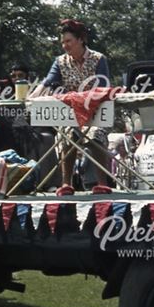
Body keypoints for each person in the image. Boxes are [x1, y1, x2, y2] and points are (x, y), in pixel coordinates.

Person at [30, 19, 112, 196]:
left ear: (80, 40)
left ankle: (102, 183)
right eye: (63, 42)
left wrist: (86, 98)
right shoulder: (60, 62)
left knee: (96, 135)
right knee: (68, 134)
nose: (65, 45)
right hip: (72, 113)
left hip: (97, 111)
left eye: (68, 41)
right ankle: (66, 183)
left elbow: (104, 86)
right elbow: (47, 82)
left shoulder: (98, 59)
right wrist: (31, 99)